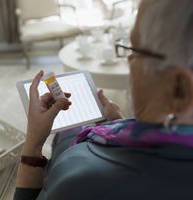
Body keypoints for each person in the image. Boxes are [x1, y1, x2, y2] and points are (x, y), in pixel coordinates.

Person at [14, 0, 193, 199]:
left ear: (179, 89)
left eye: (135, 51)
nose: (128, 59)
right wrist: (118, 122)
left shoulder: (84, 183)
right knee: (73, 127)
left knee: (68, 129)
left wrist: (33, 142)